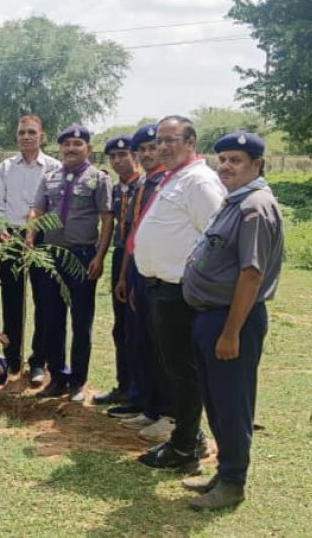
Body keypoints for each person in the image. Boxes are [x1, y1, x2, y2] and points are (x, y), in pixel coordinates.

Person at [181, 132, 284, 510]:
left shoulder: (255, 206)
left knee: (232, 403)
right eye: (222, 159)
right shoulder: (235, 200)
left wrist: (231, 332)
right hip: (212, 316)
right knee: (216, 399)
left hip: (232, 319)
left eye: (236, 159)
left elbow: (252, 274)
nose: (226, 166)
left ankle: (234, 482)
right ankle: (224, 472)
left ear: (257, 164)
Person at [132, 115, 225, 473]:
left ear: (191, 142)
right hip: (161, 288)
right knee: (175, 368)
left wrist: (196, 283)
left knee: (183, 371)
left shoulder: (199, 181)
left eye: (172, 140)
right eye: (160, 141)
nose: (163, 147)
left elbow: (217, 239)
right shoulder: (176, 178)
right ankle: (190, 437)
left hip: (180, 291)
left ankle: (185, 447)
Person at [26, 125, 113, 400]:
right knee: (52, 318)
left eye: (77, 144)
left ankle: (78, 381)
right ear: (60, 148)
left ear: (87, 147)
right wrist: (31, 234)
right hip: (51, 256)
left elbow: (107, 219)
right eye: (67, 144)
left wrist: (99, 256)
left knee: (81, 320)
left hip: (82, 256)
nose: (71, 149)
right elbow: (38, 208)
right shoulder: (49, 176)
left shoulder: (99, 178)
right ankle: (58, 377)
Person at [111, 124, 174, 444]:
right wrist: (124, 275)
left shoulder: (170, 184)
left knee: (163, 344)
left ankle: (169, 412)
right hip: (136, 266)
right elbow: (133, 235)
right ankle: (148, 405)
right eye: (144, 150)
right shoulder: (146, 184)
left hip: (161, 273)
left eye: (153, 147)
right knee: (139, 339)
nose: (148, 154)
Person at [0, 115, 62, 382]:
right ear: (16, 136)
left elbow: (56, 206)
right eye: (22, 132)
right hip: (11, 237)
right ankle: (12, 359)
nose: (26, 137)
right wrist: (1, 229)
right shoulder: (6, 167)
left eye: (32, 132)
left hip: (43, 237)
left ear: (42, 136)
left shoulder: (54, 167)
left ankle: (38, 362)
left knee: (43, 300)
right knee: (12, 299)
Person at [93, 135, 140, 407]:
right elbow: (109, 225)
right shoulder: (115, 189)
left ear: (134, 156)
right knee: (120, 326)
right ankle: (124, 386)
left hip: (138, 259)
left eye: (123, 154)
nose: (118, 160)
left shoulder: (145, 187)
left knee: (137, 328)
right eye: (112, 156)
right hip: (119, 255)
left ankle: (139, 390)